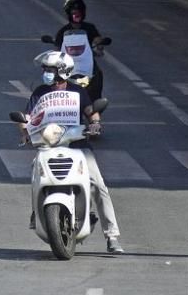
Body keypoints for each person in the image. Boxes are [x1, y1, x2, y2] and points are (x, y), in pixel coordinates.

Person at [22, 50, 124, 254]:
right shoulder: (40, 92)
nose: (46, 73)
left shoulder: (78, 92)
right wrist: (24, 131)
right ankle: (36, 214)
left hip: (78, 144)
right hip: (49, 144)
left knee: (98, 184)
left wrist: (95, 123)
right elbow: (27, 117)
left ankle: (112, 235)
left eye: (49, 69)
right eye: (45, 69)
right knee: (35, 174)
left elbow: (90, 112)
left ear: (62, 71)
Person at [54, 0, 107, 101]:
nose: (76, 14)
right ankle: (56, 102)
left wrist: (99, 44)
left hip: (87, 63)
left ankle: (96, 103)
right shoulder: (63, 31)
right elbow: (57, 50)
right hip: (69, 65)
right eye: (73, 12)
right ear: (69, 13)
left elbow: (97, 39)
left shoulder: (90, 28)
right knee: (54, 77)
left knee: (98, 74)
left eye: (78, 11)